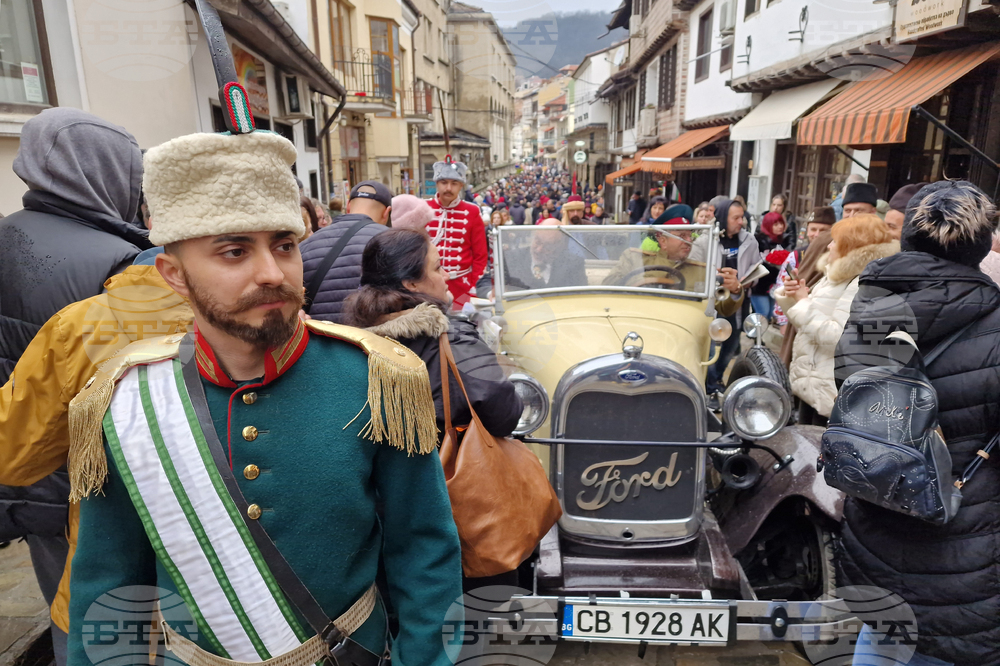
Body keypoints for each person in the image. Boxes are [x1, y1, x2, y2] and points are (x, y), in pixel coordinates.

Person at [67, 129, 462, 666]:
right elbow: (111, 588)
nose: (273, 273)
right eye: (234, 251)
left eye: (284, 245)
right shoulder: (126, 402)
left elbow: (424, 553)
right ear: (174, 274)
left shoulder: (378, 377)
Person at [0, 108, 152, 666]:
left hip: (15, 461)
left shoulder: (5, 235)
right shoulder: (119, 261)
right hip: (85, 478)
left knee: (57, 595)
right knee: (106, 612)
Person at [834, 181, 1000, 666]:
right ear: (981, 245)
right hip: (967, 532)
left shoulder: (870, 308)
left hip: (881, 507)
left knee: (885, 638)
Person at [343, 228, 521, 444]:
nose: (446, 275)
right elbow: (505, 415)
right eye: (438, 267)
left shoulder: (350, 343)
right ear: (411, 284)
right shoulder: (452, 340)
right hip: (444, 472)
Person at [774, 214, 898, 425]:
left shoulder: (861, 283)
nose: (829, 246)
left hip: (832, 394)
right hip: (815, 388)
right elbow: (807, 323)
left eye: (835, 242)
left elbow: (839, 337)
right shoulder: (836, 275)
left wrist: (804, 303)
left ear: (851, 247)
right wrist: (795, 296)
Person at [690, 199, 757, 399]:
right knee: (710, 348)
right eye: (735, 217)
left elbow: (756, 268)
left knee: (731, 345)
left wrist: (741, 284)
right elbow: (693, 271)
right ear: (722, 218)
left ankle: (716, 378)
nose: (741, 222)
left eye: (742, 217)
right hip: (710, 303)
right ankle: (708, 386)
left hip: (737, 301)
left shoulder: (749, 240)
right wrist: (716, 279)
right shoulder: (704, 240)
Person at [300, 181, 393, 323]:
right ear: (386, 213)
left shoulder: (305, 245)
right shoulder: (393, 242)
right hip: (371, 341)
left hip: (317, 340)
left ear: (348, 207)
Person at [426, 156, 489, 307]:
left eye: (454, 183)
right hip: (429, 287)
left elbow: (480, 255)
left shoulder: (472, 211)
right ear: (437, 184)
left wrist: (473, 285)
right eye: (444, 182)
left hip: (462, 287)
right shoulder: (423, 208)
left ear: (461, 186)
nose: (448, 188)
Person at [603, 206, 707, 291]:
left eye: (690, 236)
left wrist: (723, 290)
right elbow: (608, 286)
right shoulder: (634, 259)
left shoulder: (700, 271)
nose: (689, 241)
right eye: (682, 236)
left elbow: (716, 305)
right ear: (663, 241)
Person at [773, 206, 836, 329]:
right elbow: (781, 287)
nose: (817, 235)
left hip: (824, 322)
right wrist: (783, 322)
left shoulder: (837, 257)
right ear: (807, 230)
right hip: (796, 317)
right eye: (813, 229)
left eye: (823, 230)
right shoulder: (795, 256)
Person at [505, 221, 587, 290]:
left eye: (548, 246)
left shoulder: (574, 264)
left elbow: (580, 295)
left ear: (561, 246)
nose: (539, 250)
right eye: (537, 241)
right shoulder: (511, 258)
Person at [749, 211, 788, 319]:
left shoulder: (783, 241)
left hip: (774, 284)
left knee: (770, 313)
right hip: (759, 284)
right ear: (768, 225)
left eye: (781, 223)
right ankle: (754, 333)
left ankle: (758, 334)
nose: (780, 227)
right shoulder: (758, 241)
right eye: (776, 224)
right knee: (763, 312)